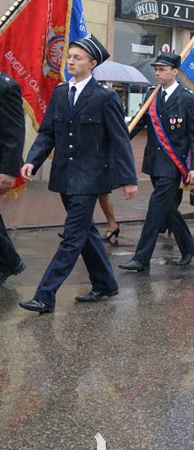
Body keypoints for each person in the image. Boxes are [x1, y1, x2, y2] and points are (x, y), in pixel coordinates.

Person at [19, 35, 138, 313]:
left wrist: (129, 178)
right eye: (69, 57)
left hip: (91, 178)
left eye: (77, 58)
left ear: (92, 64)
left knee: (72, 236)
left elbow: (120, 140)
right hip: (64, 176)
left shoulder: (105, 97)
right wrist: (32, 161)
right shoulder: (61, 93)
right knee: (85, 233)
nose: (70, 62)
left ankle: (45, 295)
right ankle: (106, 283)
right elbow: (48, 132)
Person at [119, 53, 194, 273]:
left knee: (155, 209)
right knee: (167, 208)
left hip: (173, 165)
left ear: (175, 71)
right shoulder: (151, 95)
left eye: (162, 69)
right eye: (156, 69)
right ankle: (188, 246)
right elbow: (137, 124)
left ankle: (141, 257)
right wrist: (118, 141)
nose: (157, 73)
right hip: (153, 161)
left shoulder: (187, 98)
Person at [0, 69, 26, 286]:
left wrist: (8, 172)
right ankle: (9, 261)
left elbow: (15, 132)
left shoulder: (6, 86)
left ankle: (9, 261)